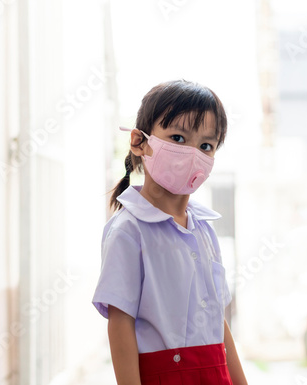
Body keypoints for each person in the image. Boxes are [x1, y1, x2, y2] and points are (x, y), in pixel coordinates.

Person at [92, 79, 248, 385]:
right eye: (177, 137)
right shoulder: (128, 231)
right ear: (139, 142)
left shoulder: (204, 229)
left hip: (215, 373)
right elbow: (120, 324)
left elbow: (218, 320)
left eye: (206, 145)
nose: (192, 154)